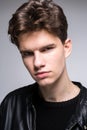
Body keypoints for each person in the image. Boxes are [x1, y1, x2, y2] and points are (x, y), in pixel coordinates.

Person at [0, 0, 87, 130]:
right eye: (28, 53)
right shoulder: (11, 104)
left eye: (47, 49)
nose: (37, 63)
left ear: (66, 47)